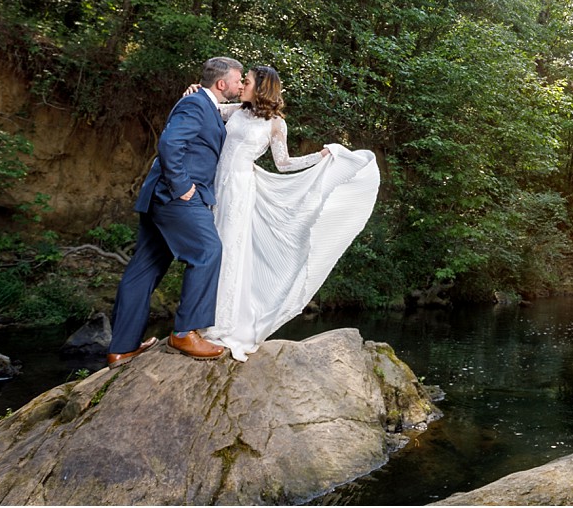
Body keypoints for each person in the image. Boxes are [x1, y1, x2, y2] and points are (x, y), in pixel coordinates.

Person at [205, 64, 380, 361]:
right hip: (217, 184)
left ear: (261, 87)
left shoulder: (275, 124)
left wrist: (321, 156)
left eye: (246, 81)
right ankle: (203, 316)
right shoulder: (237, 110)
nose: (241, 85)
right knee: (210, 250)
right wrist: (195, 91)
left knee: (229, 251)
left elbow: (284, 164)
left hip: (240, 189)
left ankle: (221, 324)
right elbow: (209, 105)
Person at [105, 56, 244, 367]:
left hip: (161, 197)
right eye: (238, 80)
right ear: (221, 83)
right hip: (177, 197)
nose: (240, 84)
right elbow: (170, 143)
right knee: (208, 250)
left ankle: (122, 348)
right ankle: (184, 333)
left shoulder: (205, 103)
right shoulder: (196, 104)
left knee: (144, 269)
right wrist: (182, 186)